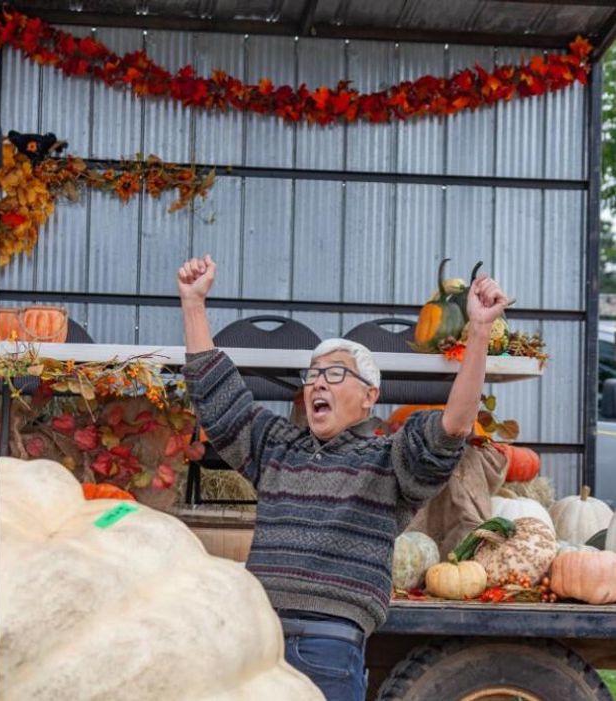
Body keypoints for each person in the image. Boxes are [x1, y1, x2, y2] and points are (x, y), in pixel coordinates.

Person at [176, 255, 509, 701]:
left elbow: (453, 427)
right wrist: (194, 304)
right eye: (313, 376)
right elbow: (218, 398)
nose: (318, 384)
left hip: (327, 649)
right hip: (256, 640)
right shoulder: (277, 446)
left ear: (369, 397)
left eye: (334, 375)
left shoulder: (389, 461)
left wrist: (480, 331)